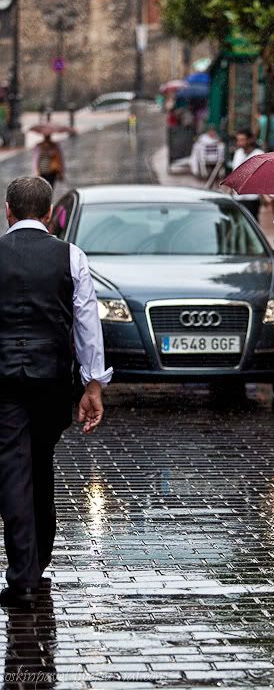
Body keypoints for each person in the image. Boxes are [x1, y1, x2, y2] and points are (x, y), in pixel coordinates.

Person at [0, 177, 112, 607]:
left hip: (4, 380)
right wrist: (93, 383)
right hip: (51, 379)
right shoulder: (72, 256)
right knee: (39, 460)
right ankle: (38, 555)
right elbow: (87, 323)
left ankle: (24, 573)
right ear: (48, 215)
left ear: (8, 210)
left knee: (13, 467)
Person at [231, 129, 264, 219]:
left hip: (252, 197)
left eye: (242, 140)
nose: (239, 143)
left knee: (251, 220)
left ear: (249, 140)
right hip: (237, 196)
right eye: (238, 140)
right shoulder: (238, 153)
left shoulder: (259, 154)